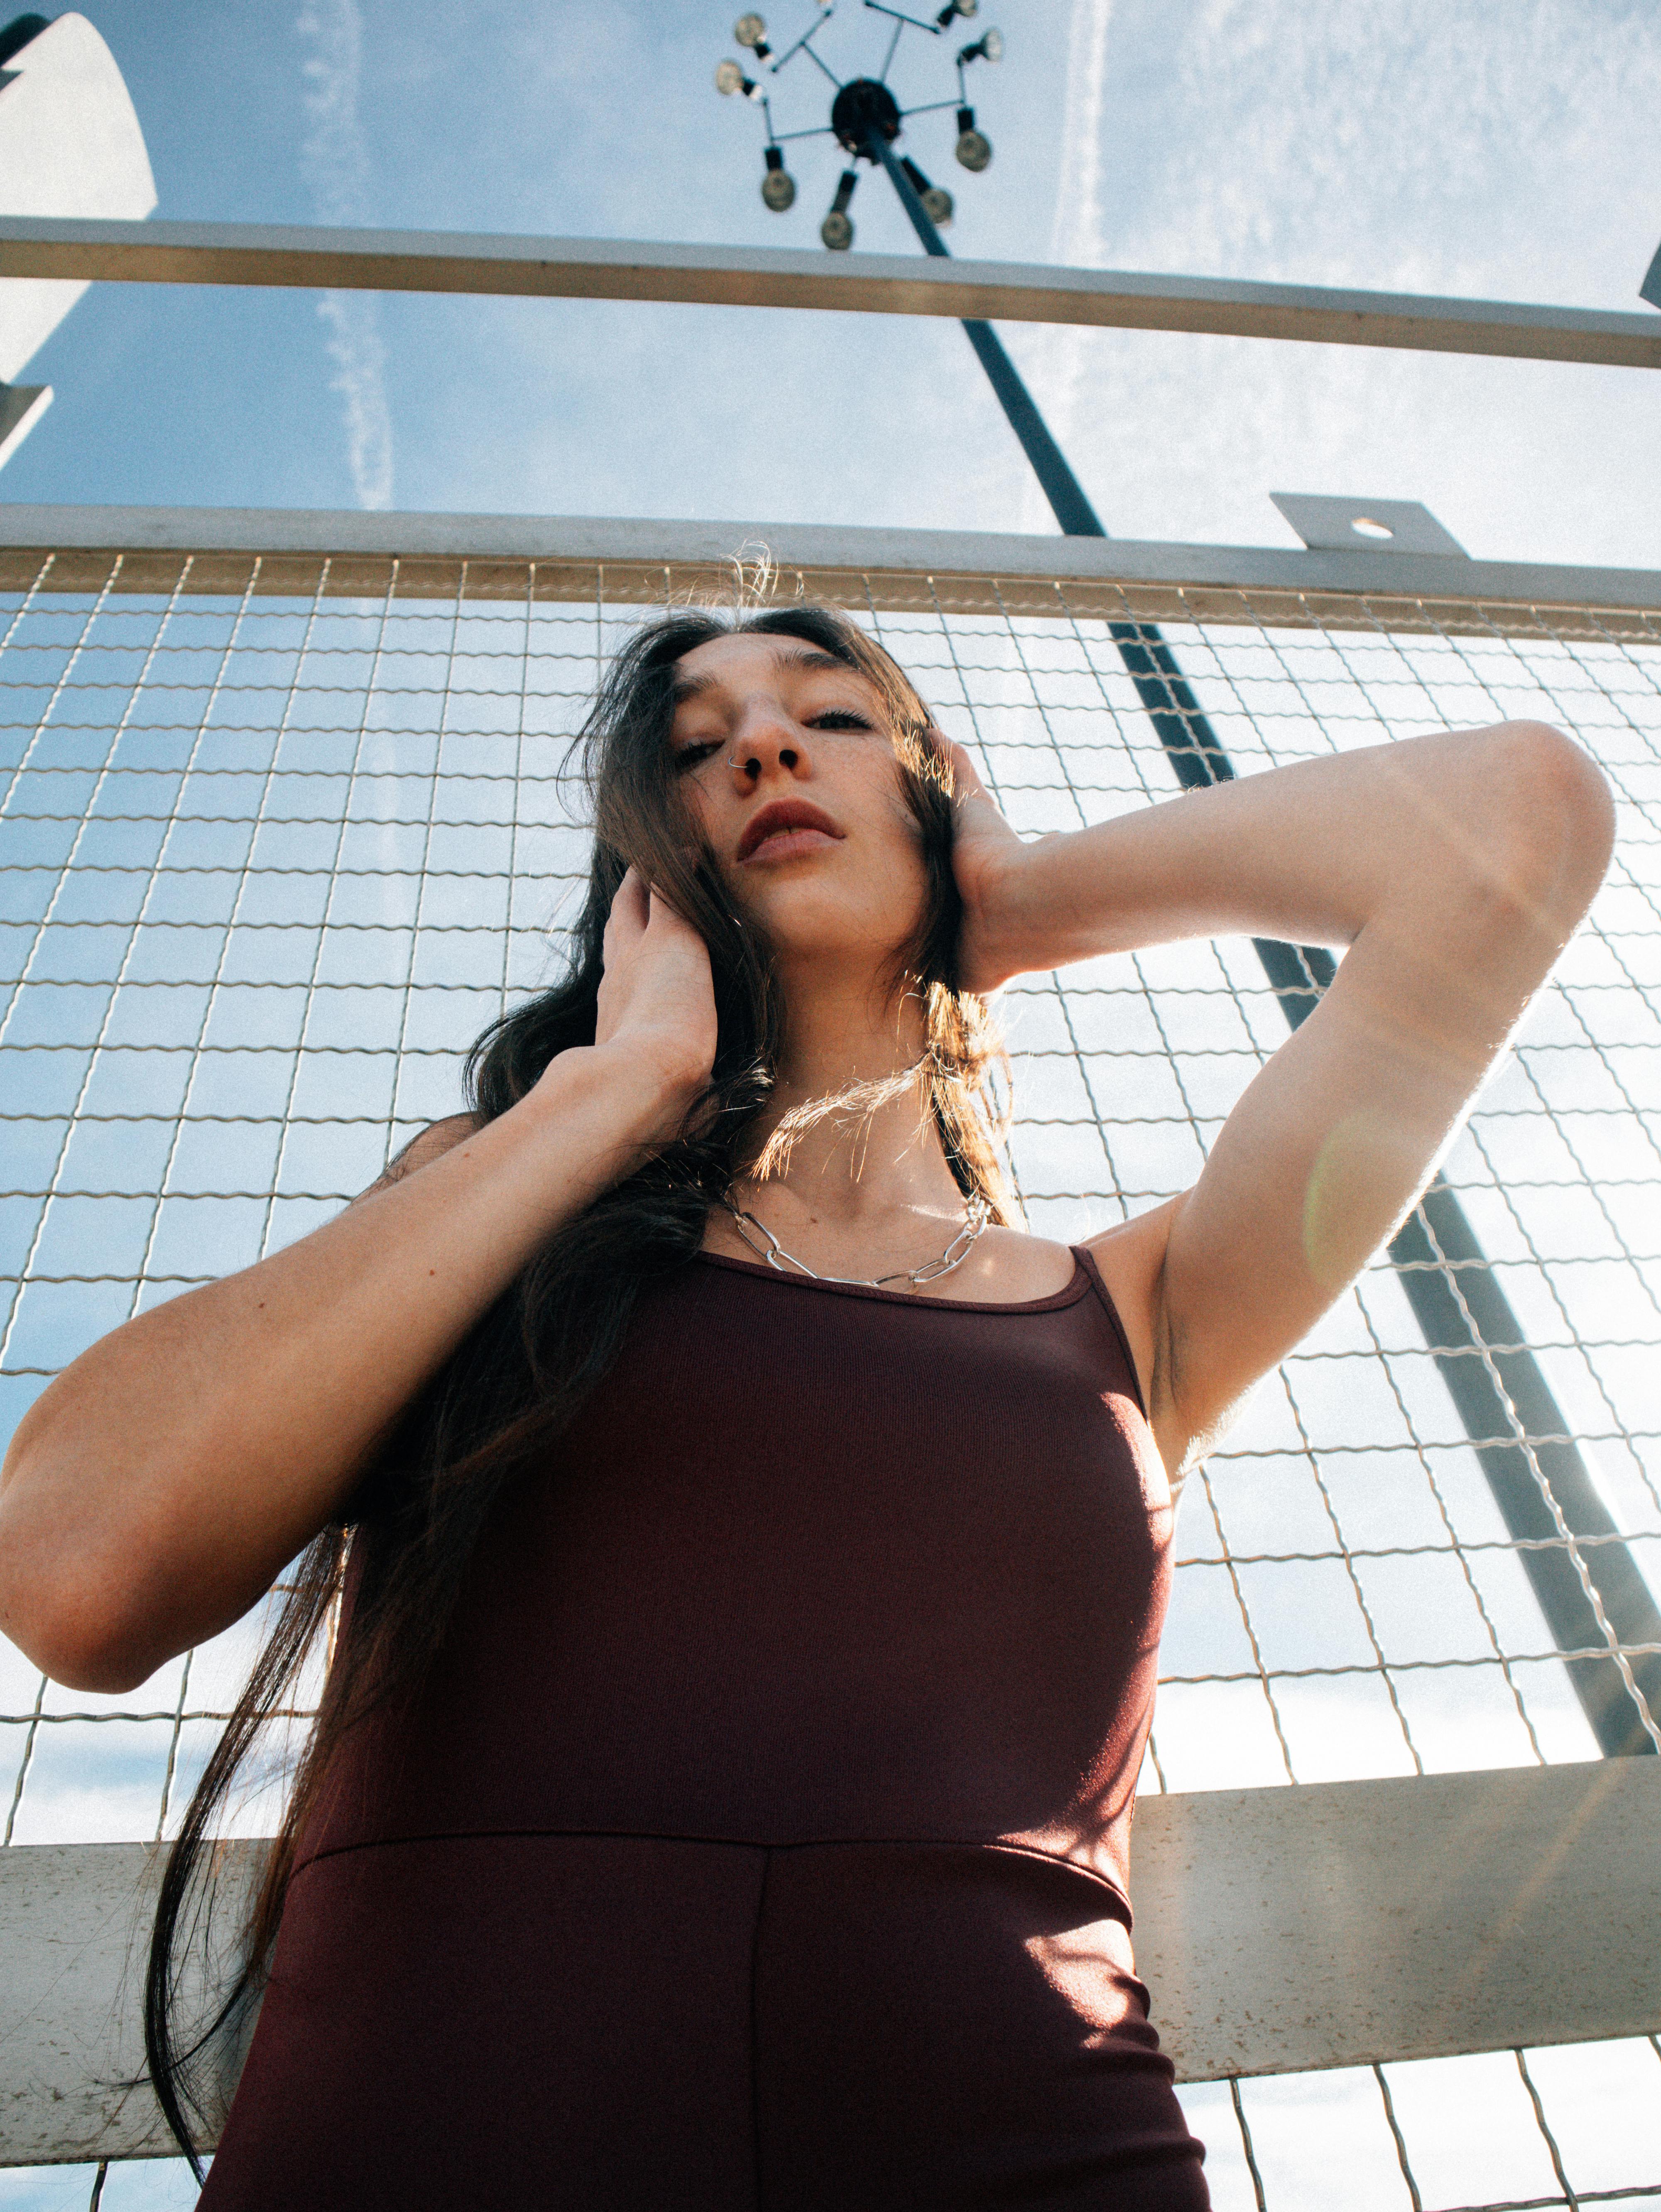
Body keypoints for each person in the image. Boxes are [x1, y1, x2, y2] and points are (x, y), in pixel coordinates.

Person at [0, 604, 1612, 2208]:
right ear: (648, 865)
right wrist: (614, 1090)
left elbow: (1511, 823)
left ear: (931, 786)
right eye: (698, 747)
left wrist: (1022, 895)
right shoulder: (497, 1214)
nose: (764, 745)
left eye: (830, 718)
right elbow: (84, 1568)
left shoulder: (1143, 1309)